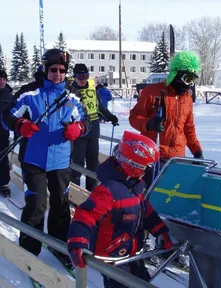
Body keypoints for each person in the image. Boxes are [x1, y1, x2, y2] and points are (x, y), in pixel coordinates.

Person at [1, 48, 90, 262]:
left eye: (61, 70)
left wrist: (79, 129)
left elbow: (86, 121)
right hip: (34, 160)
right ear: (44, 69)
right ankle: (29, 251)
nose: (57, 74)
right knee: (37, 205)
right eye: (53, 69)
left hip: (60, 162)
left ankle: (59, 247)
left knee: (60, 205)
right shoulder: (29, 94)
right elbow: (6, 116)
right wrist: (20, 124)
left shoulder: (71, 98)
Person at [67, 130, 173, 288]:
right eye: (145, 168)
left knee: (143, 283)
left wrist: (160, 230)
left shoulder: (137, 186)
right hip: (112, 259)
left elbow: (145, 210)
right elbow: (85, 215)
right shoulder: (108, 191)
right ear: (133, 167)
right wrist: (77, 242)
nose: (146, 172)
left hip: (132, 254)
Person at [129, 51, 203, 187]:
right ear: (177, 74)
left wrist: (196, 150)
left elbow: (188, 128)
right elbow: (134, 117)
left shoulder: (187, 99)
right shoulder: (152, 92)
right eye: (187, 78)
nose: (189, 84)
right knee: (151, 197)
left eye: (192, 80)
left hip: (178, 158)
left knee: (172, 196)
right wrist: (149, 124)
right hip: (154, 156)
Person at [69, 63, 119, 191]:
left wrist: (111, 117)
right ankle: (75, 196)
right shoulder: (70, 92)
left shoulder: (92, 90)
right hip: (79, 134)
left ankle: (91, 194)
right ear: (74, 77)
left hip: (94, 131)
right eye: (80, 76)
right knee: (77, 165)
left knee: (93, 166)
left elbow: (101, 108)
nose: (83, 80)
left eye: (86, 76)